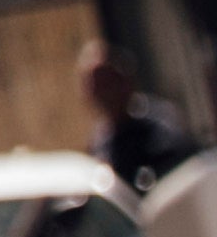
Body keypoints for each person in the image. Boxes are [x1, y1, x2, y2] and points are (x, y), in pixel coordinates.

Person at [78, 42, 194, 193]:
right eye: (96, 86)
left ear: (125, 83)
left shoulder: (161, 125)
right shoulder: (100, 143)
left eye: (108, 83)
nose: (104, 95)